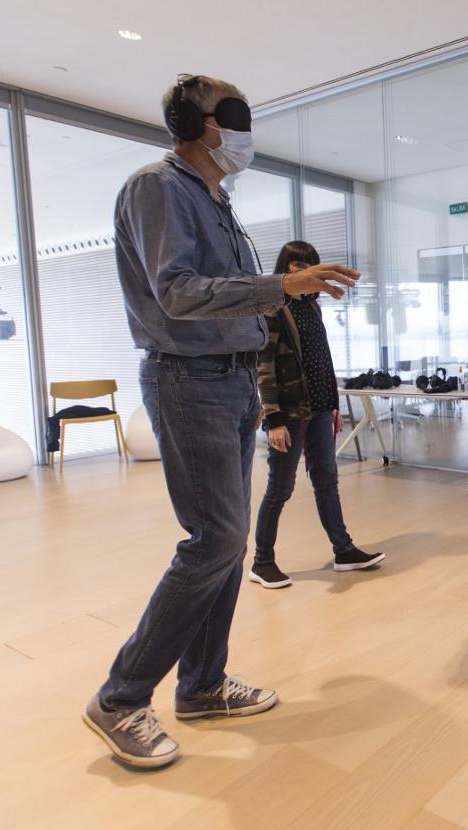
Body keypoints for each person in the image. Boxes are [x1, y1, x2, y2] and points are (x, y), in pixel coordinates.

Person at [83, 74, 360, 769]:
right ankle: (119, 698)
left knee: (223, 544)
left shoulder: (217, 201)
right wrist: (283, 285)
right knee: (216, 540)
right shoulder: (157, 187)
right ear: (204, 125)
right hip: (187, 381)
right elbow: (175, 293)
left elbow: (231, 300)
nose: (244, 130)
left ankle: (202, 685)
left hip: (232, 381)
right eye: (235, 116)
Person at [250, 240, 385, 589]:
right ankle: (262, 561)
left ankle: (343, 551)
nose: (301, 270)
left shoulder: (313, 307)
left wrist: (333, 405)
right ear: (285, 267)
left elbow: (322, 360)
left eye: (307, 263)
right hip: (290, 411)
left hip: (321, 408)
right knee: (280, 487)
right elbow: (263, 366)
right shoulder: (272, 308)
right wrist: (273, 418)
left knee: (327, 480)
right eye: (295, 264)